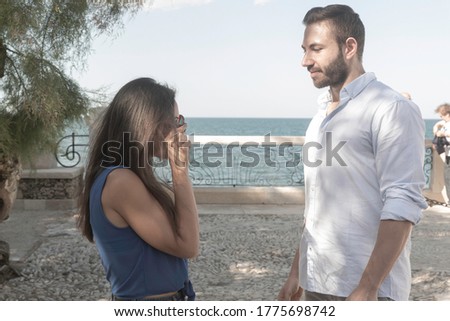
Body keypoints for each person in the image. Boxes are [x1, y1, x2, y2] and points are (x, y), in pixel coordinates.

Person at [278, 5, 427, 301]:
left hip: (370, 290)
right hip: (317, 282)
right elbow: (316, 207)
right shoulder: (320, 117)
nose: (305, 60)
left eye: (316, 49)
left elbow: (403, 202)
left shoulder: (391, 108)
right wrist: (298, 272)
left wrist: (368, 286)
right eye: (305, 49)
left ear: (349, 47)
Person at [77, 77, 199, 301]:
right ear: (148, 125)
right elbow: (188, 245)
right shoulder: (121, 182)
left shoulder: (123, 176)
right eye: (175, 121)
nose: (180, 129)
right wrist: (180, 172)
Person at [432, 103, 450, 202]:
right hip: (447, 154)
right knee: (447, 179)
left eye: (442, 116)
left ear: (447, 114)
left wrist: (444, 134)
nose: (441, 118)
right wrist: (436, 129)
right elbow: (438, 125)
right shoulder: (445, 123)